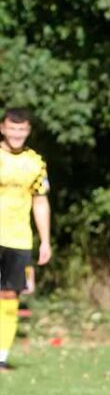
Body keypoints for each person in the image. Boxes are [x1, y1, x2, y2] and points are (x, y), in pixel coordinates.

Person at [0, 108, 51, 372]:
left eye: (22, 129)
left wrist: (45, 241)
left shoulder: (35, 162)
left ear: (28, 131)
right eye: (12, 128)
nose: (17, 134)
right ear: (3, 128)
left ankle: (1, 356)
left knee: (9, 295)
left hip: (18, 239)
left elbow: (40, 202)